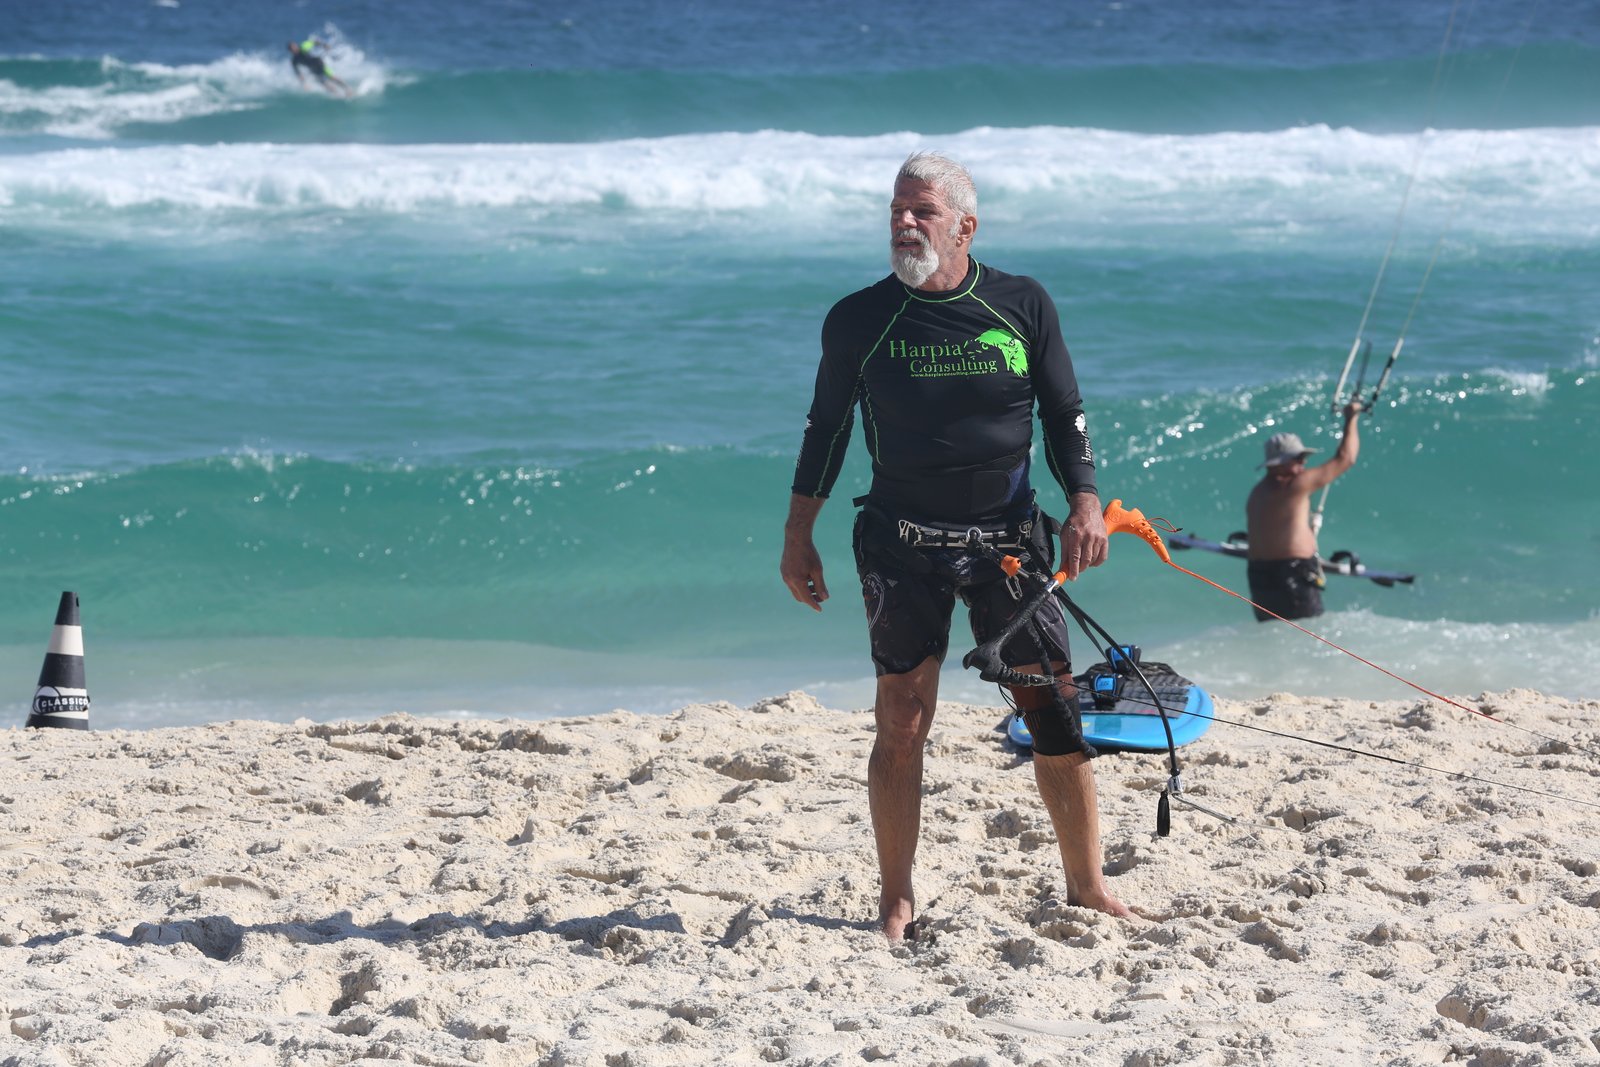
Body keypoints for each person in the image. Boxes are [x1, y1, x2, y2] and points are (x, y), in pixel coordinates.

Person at [781, 151, 1133, 941]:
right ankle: (896, 898)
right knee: (901, 719)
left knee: (1051, 710)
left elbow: (1065, 412)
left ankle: (1086, 882)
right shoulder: (858, 319)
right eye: (896, 211)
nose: (904, 224)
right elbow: (825, 430)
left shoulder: (1020, 304)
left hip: (1008, 540)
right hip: (900, 543)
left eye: (922, 212)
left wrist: (1085, 503)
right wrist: (797, 530)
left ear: (965, 226)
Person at [1244, 400, 1363, 621]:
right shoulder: (1294, 485)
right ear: (1279, 463)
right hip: (1292, 577)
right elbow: (1346, 459)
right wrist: (1351, 417)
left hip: (1258, 577)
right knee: (1305, 638)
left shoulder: (1257, 493)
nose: (1303, 464)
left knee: (1275, 638)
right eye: (1298, 458)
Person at [288, 37, 352, 98]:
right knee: (324, 84)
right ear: (290, 51)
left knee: (332, 77)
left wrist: (324, 45)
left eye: (295, 46)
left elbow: (313, 42)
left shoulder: (303, 47)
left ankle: (348, 89)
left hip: (319, 63)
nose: (295, 48)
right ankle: (338, 95)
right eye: (292, 48)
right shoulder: (294, 60)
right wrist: (304, 83)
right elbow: (298, 73)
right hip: (313, 70)